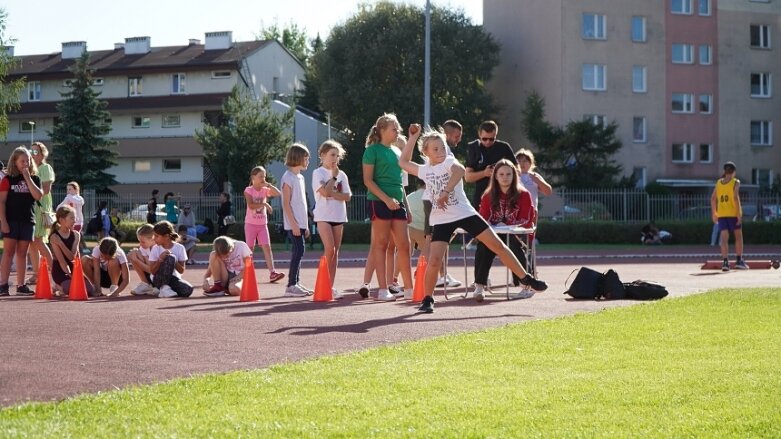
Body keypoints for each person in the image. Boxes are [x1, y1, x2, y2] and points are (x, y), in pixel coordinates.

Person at [399, 124, 548, 313]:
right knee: (434, 260)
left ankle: (526, 279)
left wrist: (445, 191)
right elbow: (403, 163)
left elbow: (460, 171)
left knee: (497, 245)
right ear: (426, 152)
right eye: (435, 149)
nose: (440, 151)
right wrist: (413, 137)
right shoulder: (425, 170)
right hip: (442, 219)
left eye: (443, 147)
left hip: (464, 213)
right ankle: (428, 299)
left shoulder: (448, 161)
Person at [362, 113, 414, 301]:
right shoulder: (372, 151)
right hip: (379, 202)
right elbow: (368, 181)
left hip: (397, 202)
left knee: (404, 245)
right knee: (381, 244)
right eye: (394, 128)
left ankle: (409, 289)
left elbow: (401, 183)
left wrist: (406, 207)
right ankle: (382, 289)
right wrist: (386, 200)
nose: (397, 131)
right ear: (382, 130)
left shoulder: (397, 152)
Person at [474, 159, 537, 301]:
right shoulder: (487, 195)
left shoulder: (524, 194)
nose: (505, 177)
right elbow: (482, 218)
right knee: (484, 244)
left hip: (516, 236)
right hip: (495, 234)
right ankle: (479, 285)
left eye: (508, 174)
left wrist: (507, 225)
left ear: (514, 176)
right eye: (501, 174)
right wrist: (496, 225)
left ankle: (526, 285)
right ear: (495, 176)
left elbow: (527, 219)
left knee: (513, 244)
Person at [0, 147, 43, 296]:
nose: (25, 163)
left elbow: (38, 196)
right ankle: (3, 285)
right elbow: (2, 202)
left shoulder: (35, 178)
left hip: (27, 220)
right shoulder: (7, 179)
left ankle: (20, 285)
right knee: (8, 252)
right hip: (11, 220)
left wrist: (28, 178)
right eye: (22, 161)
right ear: (15, 162)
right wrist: (3, 221)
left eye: (28, 161)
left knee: (22, 253)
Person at [312, 140, 352, 299]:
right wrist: (333, 180)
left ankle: (330, 286)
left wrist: (333, 193)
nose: (335, 159)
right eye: (332, 155)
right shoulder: (318, 173)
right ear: (323, 156)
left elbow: (347, 196)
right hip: (323, 216)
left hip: (338, 216)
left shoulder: (342, 175)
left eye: (337, 155)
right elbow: (324, 193)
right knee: (329, 249)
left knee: (335, 252)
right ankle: (322, 283)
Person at [282, 143, 314, 297]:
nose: (308, 161)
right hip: (293, 224)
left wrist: (306, 225)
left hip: (301, 224)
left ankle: (296, 282)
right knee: (299, 251)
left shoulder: (300, 177)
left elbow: (301, 203)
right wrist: (294, 224)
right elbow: (286, 204)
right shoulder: (288, 178)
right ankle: (291, 285)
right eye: (306, 158)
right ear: (298, 158)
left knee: (299, 251)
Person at [244, 166, 285, 283]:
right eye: (260, 176)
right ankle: (247, 272)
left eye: (264, 176)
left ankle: (272, 273)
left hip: (262, 224)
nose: (263, 178)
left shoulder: (264, 190)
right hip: (251, 224)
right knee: (249, 249)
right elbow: (251, 205)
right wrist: (265, 205)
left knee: (267, 247)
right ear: (253, 177)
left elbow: (278, 193)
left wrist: (268, 185)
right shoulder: (248, 190)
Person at [464, 121, 518, 210]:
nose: (488, 142)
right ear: (479, 135)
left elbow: (517, 170)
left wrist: (503, 172)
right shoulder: (474, 148)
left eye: (492, 139)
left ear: (496, 136)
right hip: (482, 193)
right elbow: (468, 177)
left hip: (504, 194)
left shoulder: (504, 147)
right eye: (484, 139)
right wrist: (484, 173)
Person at [48, 205, 94, 297]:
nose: (75, 221)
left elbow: (72, 258)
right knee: (70, 288)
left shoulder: (76, 235)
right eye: (72, 218)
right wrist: (70, 276)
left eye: (75, 218)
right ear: (62, 220)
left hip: (73, 268)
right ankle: (57, 286)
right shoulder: (54, 237)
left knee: (90, 291)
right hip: (61, 270)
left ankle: (63, 286)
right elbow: (62, 261)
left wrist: (61, 244)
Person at [711, 161, 749, 271]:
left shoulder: (718, 183)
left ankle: (725, 263)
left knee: (724, 238)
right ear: (734, 172)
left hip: (722, 214)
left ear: (724, 171)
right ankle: (739, 260)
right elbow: (735, 197)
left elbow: (713, 199)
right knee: (738, 237)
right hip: (733, 213)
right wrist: (738, 214)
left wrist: (714, 213)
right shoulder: (735, 182)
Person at [27, 141, 55, 287]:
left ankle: (55, 273)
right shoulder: (30, 169)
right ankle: (37, 274)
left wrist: (34, 193)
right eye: (31, 151)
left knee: (38, 240)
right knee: (32, 242)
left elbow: (46, 189)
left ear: (42, 153)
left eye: (36, 152)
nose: (33, 154)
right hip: (31, 206)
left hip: (41, 207)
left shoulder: (45, 168)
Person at [146, 221, 193, 298]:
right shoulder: (155, 248)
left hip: (173, 279)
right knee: (169, 258)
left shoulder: (180, 248)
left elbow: (181, 270)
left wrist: (174, 260)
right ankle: (163, 287)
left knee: (188, 290)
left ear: (167, 236)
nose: (154, 238)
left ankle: (163, 290)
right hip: (158, 278)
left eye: (156, 236)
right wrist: (160, 259)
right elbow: (152, 271)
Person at [127, 224, 159, 296]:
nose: (140, 244)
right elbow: (149, 269)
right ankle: (146, 284)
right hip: (151, 274)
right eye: (139, 241)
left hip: (159, 276)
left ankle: (160, 286)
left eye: (143, 242)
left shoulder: (158, 248)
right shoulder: (144, 248)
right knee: (134, 253)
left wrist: (136, 260)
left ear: (153, 240)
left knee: (135, 256)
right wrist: (133, 258)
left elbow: (152, 270)